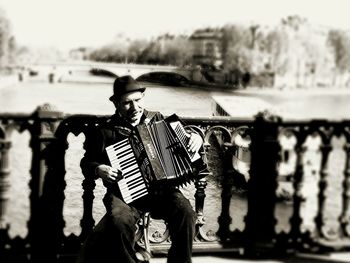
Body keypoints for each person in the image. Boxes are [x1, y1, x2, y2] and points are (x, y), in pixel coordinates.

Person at [76, 75, 204, 263]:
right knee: (119, 222)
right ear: (117, 105)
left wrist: (197, 138)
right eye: (127, 103)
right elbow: (87, 162)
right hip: (125, 194)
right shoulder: (106, 131)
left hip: (162, 191)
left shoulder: (157, 119)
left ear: (143, 99)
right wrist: (99, 169)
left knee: (186, 212)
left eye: (138, 101)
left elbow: (187, 135)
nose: (134, 108)